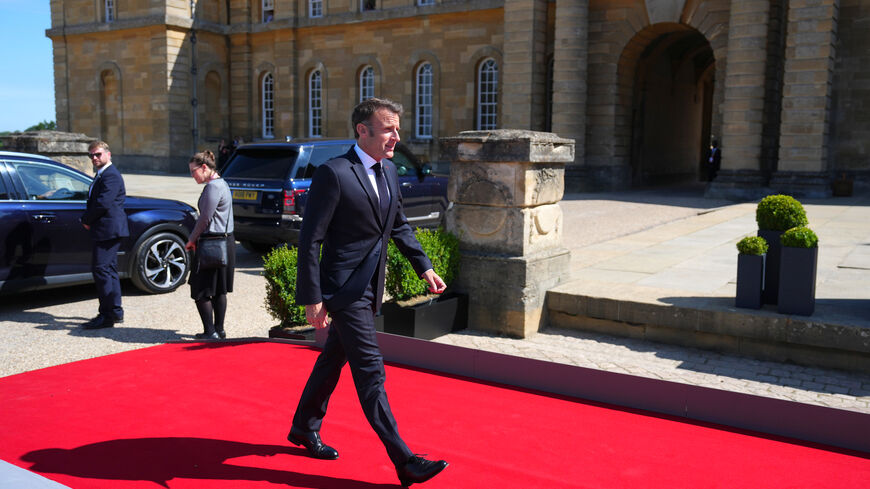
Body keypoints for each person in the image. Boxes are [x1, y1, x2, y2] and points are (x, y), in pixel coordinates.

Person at [290, 98, 448, 487]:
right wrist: (313, 296)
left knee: (332, 359)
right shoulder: (334, 173)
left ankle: (303, 427)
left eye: (397, 128)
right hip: (344, 292)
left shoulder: (390, 170)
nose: (397, 136)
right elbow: (311, 239)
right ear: (363, 130)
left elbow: (398, 225)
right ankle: (405, 460)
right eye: (389, 129)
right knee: (371, 372)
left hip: (370, 284)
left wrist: (423, 266)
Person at [185, 150, 235, 340]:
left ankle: (210, 331)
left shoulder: (213, 187)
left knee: (200, 289)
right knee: (219, 289)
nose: (192, 175)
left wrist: (191, 239)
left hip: (212, 243)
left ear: (204, 167)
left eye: (193, 171)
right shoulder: (222, 184)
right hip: (225, 241)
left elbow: (204, 218)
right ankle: (219, 330)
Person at [80, 141, 129, 330]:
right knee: (108, 270)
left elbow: (103, 203)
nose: (94, 158)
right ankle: (115, 311)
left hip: (108, 230)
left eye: (98, 154)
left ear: (108, 154)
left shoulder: (111, 176)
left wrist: (86, 219)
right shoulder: (102, 175)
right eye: (91, 155)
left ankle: (106, 315)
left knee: (101, 270)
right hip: (106, 229)